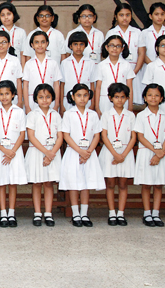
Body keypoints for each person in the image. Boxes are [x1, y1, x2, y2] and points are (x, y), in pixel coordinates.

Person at [59, 84, 105, 227]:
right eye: (79, 95)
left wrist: (89, 151)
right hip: (74, 152)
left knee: (86, 184)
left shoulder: (93, 114)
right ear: (73, 97)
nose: (82, 98)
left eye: (85, 95)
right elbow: (66, 135)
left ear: (89, 96)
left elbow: (97, 135)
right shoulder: (68, 114)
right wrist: (80, 151)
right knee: (73, 184)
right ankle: (75, 214)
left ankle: (84, 214)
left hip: (89, 153)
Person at [134, 84, 165, 227]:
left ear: (162, 98)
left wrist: (160, 153)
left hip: (162, 154)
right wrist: (155, 151)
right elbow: (140, 136)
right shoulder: (141, 116)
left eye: (157, 95)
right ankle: (147, 213)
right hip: (147, 152)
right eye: (150, 95)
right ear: (145, 98)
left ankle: (156, 213)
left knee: (159, 184)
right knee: (146, 184)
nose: (153, 98)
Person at [0, 81, 27, 228]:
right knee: (1, 182)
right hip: (0, 151)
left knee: (13, 183)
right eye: (1, 94)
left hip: (15, 152)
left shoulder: (19, 112)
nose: (4, 97)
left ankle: (11, 213)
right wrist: (4, 151)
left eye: (7, 94)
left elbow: (22, 134)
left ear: (13, 94)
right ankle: (3, 213)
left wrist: (12, 151)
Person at [24, 84, 63, 227]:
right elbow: (31, 136)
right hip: (37, 152)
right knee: (37, 183)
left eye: (47, 97)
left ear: (52, 98)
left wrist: (51, 154)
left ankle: (48, 213)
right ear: (36, 99)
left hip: (53, 153)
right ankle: (37, 213)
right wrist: (46, 153)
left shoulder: (56, 115)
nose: (44, 100)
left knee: (48, 183)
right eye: (41, 97)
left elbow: (60, 136)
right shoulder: (32, 115)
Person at [98, 83, 136, 227]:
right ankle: (112, 213)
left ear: (127, 98)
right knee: (110, 183)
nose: (119, 100)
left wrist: (123, 155)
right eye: (116, 97)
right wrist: (115, 154)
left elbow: (133, 137)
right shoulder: (106, 115)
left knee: (123, 183)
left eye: (122, 97)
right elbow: (104, 136)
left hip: (126, 153)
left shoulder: (130, 115)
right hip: (110, 153)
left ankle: (121, 213)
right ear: (110, 98)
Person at [106, 3, 144, 104]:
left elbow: (141, 53)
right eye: (121, 15)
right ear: (116, 16)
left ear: (131, 16)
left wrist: (134, 71)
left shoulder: (137, 32)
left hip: (135, 71)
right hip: (117, 72)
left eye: (127, 15)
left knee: (133, 102)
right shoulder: (111, 33)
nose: (125, 18)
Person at [94, 35, 135, 115]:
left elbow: (130, 86)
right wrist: (97, 107)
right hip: (105, 101)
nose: (115, 48)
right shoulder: (101, 65)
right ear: (107, 47)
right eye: (112, 45)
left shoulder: (126, 65)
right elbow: (98, 87)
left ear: (122, 48)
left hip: (122, 100)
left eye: (118, 46)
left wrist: (130, 106)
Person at [22, 31, 61, 113]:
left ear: (47, 43)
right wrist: (27, 105)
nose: (40, 45)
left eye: (43, 42)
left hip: (49, 100)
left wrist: (56, 104)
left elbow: (56, 84)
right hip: (33, 101)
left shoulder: (53, 63)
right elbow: (25, 85)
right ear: (32, 45)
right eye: (37, 42)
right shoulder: (29, 64)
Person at [60, 32, 95, 113]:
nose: (78, 47)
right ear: (70, 46)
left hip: (86, 100)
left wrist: (92, 103)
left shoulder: (90, 62)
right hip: (68, 101)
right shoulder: (65, 63)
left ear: (85, 46)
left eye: (81, 44)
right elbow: (62, 85)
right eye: (75, 44)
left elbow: (92, 84)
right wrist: (61, 105)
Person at [0, 1, 27, 67]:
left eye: (8, 14)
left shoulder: (21, 32)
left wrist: (23, 69)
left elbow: (23, 53)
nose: (6, 17)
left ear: (14, 15)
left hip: (16, 66)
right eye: (3, 15)